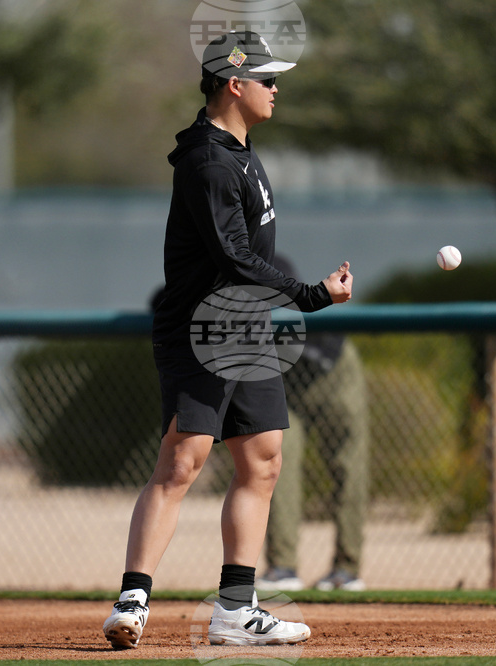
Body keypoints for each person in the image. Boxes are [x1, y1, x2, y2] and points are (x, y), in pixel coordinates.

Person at [102, 30, 353, 650]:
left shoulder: (239, 151)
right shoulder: (209, 162)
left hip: (245, 329)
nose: (276, 88)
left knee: (263, 457)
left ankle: (236, 609)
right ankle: (133, 598)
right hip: (202, 331)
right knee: (182, 461)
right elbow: (234, 257)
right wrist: (311, 295)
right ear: (234, 84)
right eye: (267, 79)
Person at [257, 255, 370, 592]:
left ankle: (347, 569)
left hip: (332, 370)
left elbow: (291, 302)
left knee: (349, 467)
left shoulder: (268, 259)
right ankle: (282, 567)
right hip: (286, 380)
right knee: (275, 464)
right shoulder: (212, 258)